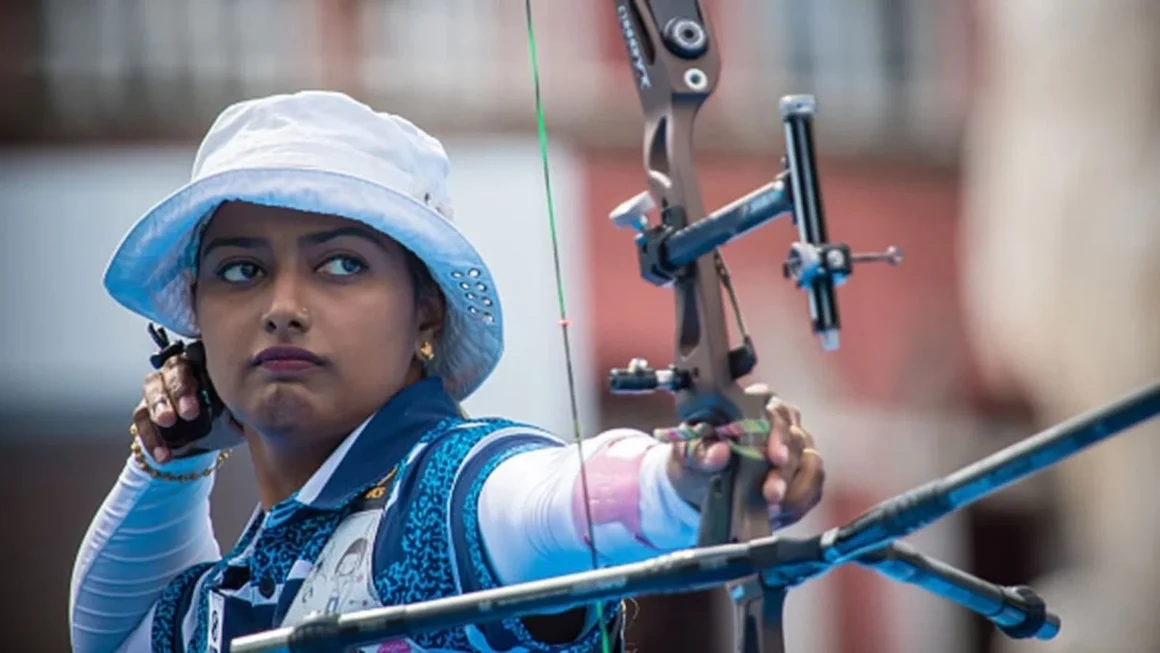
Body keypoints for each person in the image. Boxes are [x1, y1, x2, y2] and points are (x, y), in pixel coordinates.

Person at [68, 90, 826, 653]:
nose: (283, 307)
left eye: (341, 264)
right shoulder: (243, 580)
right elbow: (114, 631)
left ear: (424, 313)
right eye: (240, 270)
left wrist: (692, 476)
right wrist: (170, 455)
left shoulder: (441, 491)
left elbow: (550, 500)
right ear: (194, 324)